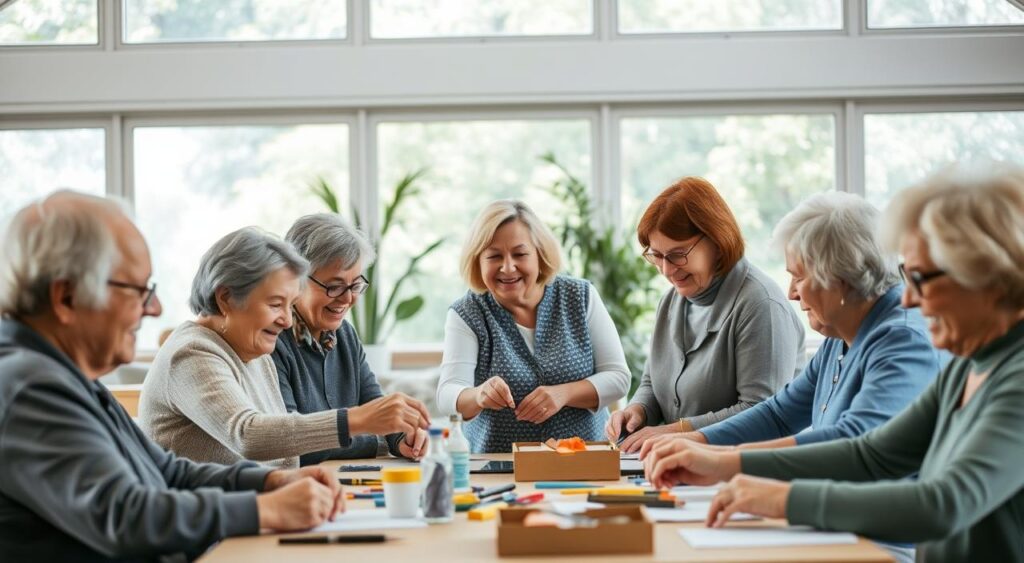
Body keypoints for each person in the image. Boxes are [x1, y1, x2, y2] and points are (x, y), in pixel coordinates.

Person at [643, 164, 1024, 563]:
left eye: (921, 279)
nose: (909, 298)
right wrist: (719, 462)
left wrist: (785, 497)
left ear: (983, 275)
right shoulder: (970, 366)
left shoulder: (1007, 375)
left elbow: (942, 504)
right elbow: (871, 453)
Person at [0, 191, 345, 561]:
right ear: (66, 298)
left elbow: (167, 471)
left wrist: (270, 481)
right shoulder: (30, 386)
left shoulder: (61, 376)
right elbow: (125, 516)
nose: (155, 308)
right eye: (137, 290)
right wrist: (267, 510)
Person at [639, 192, 943, 453]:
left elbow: (853, 442)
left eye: (799, 277)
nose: (792, 294)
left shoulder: (902, 338)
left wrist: (719, 458)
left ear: (842, 277)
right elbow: (777, 414)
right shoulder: (840, 338)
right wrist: (691, 441)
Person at [140, 227, 429, 469]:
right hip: (210, 530)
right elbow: (248, 435)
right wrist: (358, 420)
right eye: (276, 304)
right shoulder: (192, 352)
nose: (287, 320)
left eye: (290, 306)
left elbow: (284, 452)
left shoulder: (252, 352)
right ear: (226, 298)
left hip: (255, 512)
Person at [610, 177, 805, 452]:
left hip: (745, 476)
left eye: (677, 254)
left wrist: (675, 431)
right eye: (656, 256)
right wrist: (638, 410)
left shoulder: (761, 304)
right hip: (684, 468)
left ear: (716, 240)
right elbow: (652, 381)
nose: (666, 270)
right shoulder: (672, 301)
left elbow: (761, 413)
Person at [437, 200, 630, 453]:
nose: (507, 267)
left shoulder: (579, 296)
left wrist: (564, 394)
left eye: (520, 254)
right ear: (478, 262)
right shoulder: (468, 312)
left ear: (540, 254)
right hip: (500, 467)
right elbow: (446, 395)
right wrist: (479, 395)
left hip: (583, 461)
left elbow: (618, 378)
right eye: (494, 256)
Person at [273, 213, 427, 465]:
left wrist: (403, 438)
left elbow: (374, 403)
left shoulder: (344, 335)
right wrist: (371, 439)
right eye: (334, 286)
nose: (348, 299)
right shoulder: (272, 341)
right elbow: (291, 445)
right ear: (294, 280)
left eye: (355, 285)